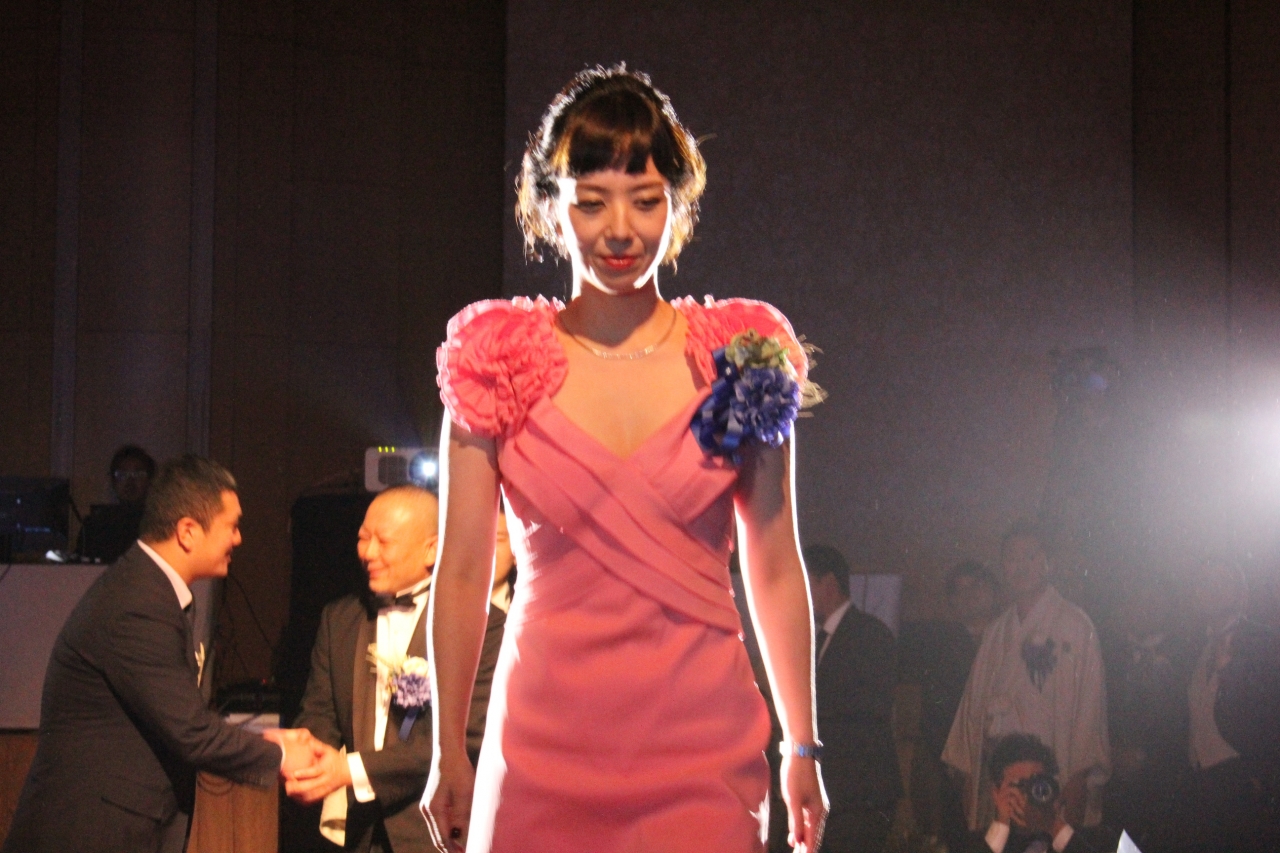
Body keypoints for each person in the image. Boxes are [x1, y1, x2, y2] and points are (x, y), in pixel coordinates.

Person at [422, 65, 826, 853]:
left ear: (678, 202)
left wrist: (802, 743)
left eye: (645, 200)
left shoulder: (740, 354)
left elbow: (775, 561)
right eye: (592, 200)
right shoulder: (495, 360)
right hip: (539, 746)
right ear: (551, 204)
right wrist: (448, 751)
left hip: (702, 749)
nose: (620, 229)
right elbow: (463, 570)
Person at [2, 454, 318, 853]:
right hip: (88, 834)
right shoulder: (137, 604)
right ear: (188, 531)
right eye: (232, 526)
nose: (238, 539)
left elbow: (176, 719)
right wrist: (281, 753)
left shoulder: (149, 590)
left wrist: (265, 739)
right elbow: (189, 731)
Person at [286, 485, 505, 853]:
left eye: (383, 542)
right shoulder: (340, 619)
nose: (368, 552)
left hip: (436, 833)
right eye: (363, 538)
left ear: (431, 549)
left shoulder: (481, 625)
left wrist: (351, 770)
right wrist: (309, 758)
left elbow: (468, 736)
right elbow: (319, 712)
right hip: (357, 832)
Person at [942, 523, 1109, 831]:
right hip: (1001, 776)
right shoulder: (996, 631)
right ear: (1002, 567)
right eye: (1012, 559)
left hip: (1054, 773)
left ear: (1048, 562)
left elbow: (1089, 713)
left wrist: (1078, 780)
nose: (1020, 566)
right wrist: (970, 779)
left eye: (1030, 557)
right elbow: (973, 711)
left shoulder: (1075, 625)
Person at [805, 545, 901, 853]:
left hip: (860, 790)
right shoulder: (816, 638)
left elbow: (871, 707)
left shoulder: (870, 634)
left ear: (829, 583)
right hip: (833, 787)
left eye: (807, 583)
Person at [899, 560, 998, 849]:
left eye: (976, 586)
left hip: (1005, 762)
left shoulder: (1010, 638)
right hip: (955, 766)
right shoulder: (939, 647)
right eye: (960, 590)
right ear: (952, 601)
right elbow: (935, 714)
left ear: (993, 591)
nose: (970, 595)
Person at [956, 734, 1098, 853]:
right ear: (996, 793)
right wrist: (1001, 826)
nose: (1028, 794)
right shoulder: (972, 844)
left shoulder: (1079, 841)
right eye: (1020, 785)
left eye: (1037, 784)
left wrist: (1053, 825)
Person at [78, 443, 156, 561]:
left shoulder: (159, 524)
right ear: (113, 481)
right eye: (122, 474)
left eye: (138, 474)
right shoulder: (94, 525)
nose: (130, 481)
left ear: (149, 480)